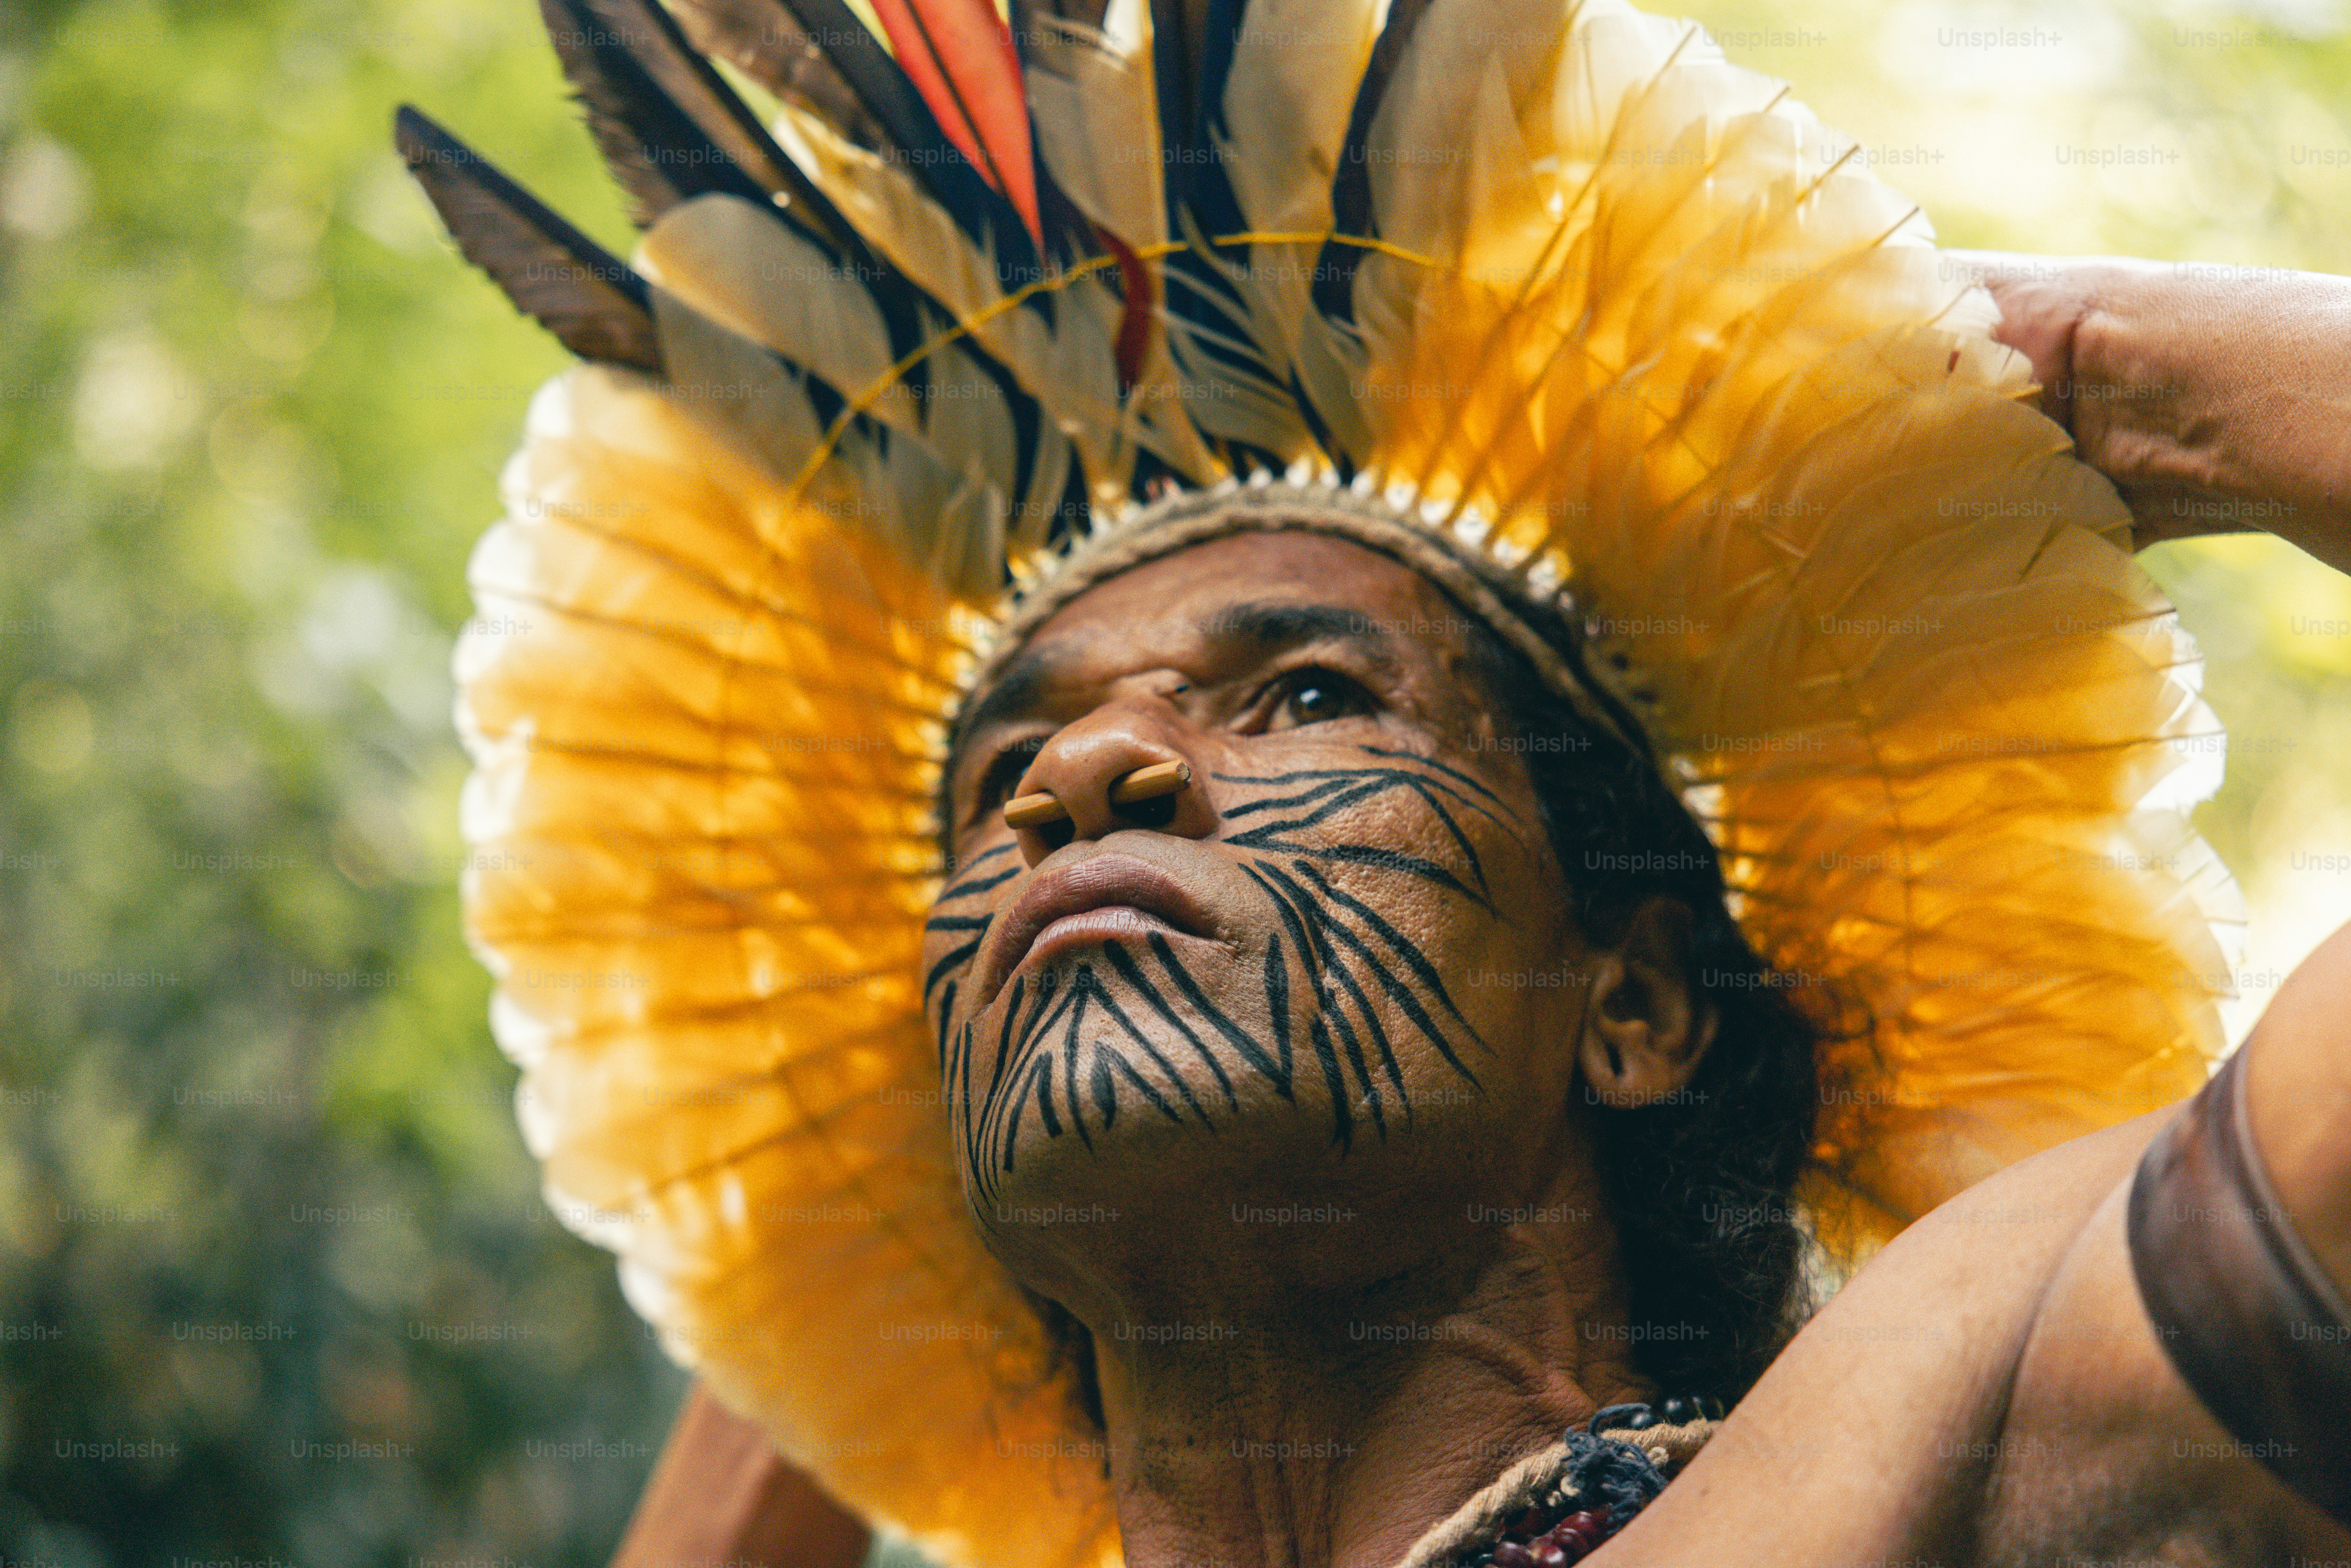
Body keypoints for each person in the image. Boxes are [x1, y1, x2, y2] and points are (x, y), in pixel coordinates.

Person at [397, 0, 2351, 1564]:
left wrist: (2064, 378)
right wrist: (838, 1249)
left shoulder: (1971, 1401)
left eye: (1311, 694)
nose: (1084, 767)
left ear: (1633, 1002)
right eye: (998, 781)